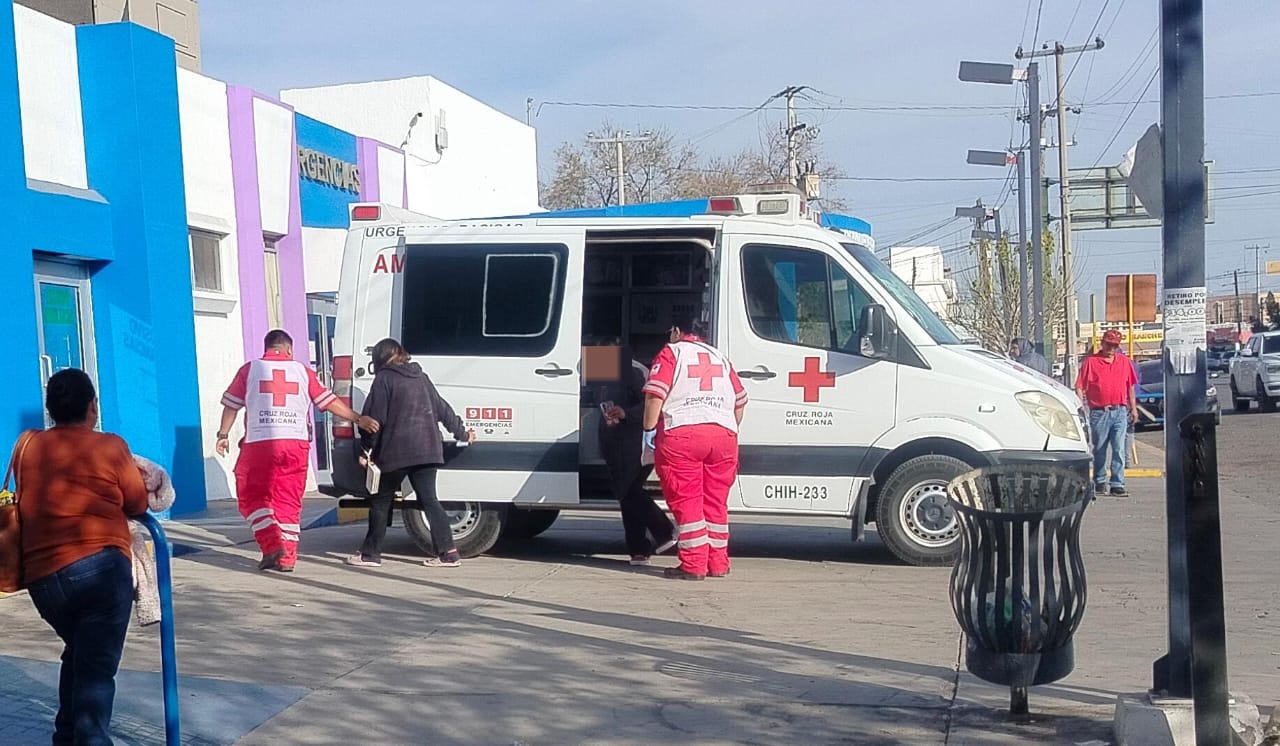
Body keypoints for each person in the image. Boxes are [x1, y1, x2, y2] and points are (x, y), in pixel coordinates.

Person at [17, 368, 149, 744]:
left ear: (51, 409)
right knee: (95, 669)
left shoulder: (29, 446)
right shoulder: (110, 446)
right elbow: (137, 501)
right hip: (100, 571)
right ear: (93, 406)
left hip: (43, 581)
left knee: (80, 654)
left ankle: (65, 736)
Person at [217, 329, 378, 572]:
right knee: (288, 501)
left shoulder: (250, 369)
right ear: (289, 349)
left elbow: (232, 405)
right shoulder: (303, 372)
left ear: (267, 347)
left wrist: (223, 434)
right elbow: (330, 401)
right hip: (295, 445)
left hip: (259, 443)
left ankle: (271, 544)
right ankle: (287, 558)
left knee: (251, 495)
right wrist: (358, 419)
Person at [345, 338, 474, 568]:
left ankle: (370, 554)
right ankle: (449, 553)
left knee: (381, 501)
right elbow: (443, 409)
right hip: (428, 450)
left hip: (396, 452)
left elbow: (373, 421)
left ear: (379, 358)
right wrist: (462, 434)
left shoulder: (384, 379)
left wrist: (366, 450)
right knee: (430, 501)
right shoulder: (421, 378)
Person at [642, 316, 747, 580]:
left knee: (687, 499)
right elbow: (740, 401)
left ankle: (693, 565)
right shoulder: (720, 357)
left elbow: (656, 395)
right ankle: (718, 563)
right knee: (715, 502)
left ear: (677, 331)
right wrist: (725, 428)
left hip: (683, 435)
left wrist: (648, 430)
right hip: (723, 436)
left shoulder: (671, 353)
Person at [598, 344, 676, 566]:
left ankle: (663, 531)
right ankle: (639, 549)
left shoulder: (635, 372)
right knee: (626, 494)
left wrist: (626, 414)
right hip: (613, 440)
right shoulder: (603, 371)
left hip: (633, 440)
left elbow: (651, 404)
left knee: (629, 491)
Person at [1076, 329, 1139, 497]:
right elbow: (1080, 386)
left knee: (1118, 448)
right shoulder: (1091, 362)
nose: (1111, 348)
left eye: (1115, 346)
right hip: (1099, 412)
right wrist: (1082, 406)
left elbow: (1130, 386)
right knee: (1100, 449)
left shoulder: (1124, 362)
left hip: (1120, 411)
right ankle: (1100, 480)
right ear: (1102, 343)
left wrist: (1133, 408)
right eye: (1109, 344)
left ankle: (1117, 483)